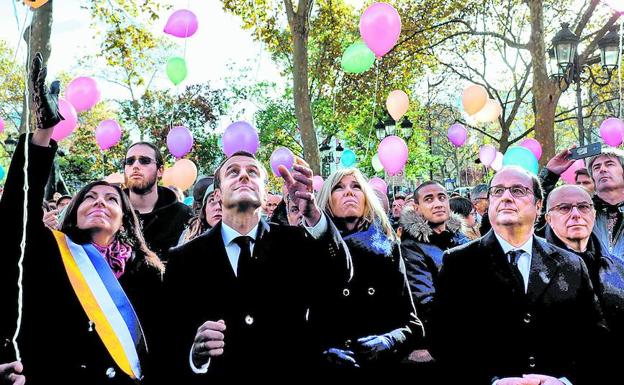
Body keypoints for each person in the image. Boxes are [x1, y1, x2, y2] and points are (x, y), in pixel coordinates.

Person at [0, 53, 164, 384]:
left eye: (111, 198)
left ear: (124, 219)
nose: (99, 201)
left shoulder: (147, 272)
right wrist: (43, 133)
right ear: (73, 212)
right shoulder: (49, 252)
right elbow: (16, 209)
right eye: (89, 197)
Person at [162, 151, 352, 381]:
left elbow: (341, 273)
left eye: (252, 172)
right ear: (218, 195)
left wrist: (312, 215)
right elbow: (170, 342)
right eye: (233, 172)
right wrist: (195, 355)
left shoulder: (297, 243)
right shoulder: (184, 259)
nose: (244, 176)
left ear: (264, 193)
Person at [432, 166, 606, 385]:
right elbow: (443, 339)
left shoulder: (570, 264)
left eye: (517, 190)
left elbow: (594, 338)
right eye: (497, 191)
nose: (506, 197)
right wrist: (492, 381)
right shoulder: (459, 263)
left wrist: (564, 381)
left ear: (539, 206)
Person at [315, 169, 422, 373]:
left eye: (356, 187)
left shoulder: (389, 249)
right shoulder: (310, 248)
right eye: (339, 187)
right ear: (326, 200)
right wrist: (321, 352)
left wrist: (389, 341)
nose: (349, 192)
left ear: (366, 198)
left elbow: (412, 325)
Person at [544, 185, 623, 382]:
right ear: (548, 218)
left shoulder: (617, 268)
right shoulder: (532, 269)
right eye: (564, 208)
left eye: (583, 207)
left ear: (594, 214)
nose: (576, 214)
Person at [399, 181, 469, 374]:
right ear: (417, 208)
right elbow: (425, 301)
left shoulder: (463, 240)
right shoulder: (411, 247)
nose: (437, 203)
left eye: (441, 197)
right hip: (441, 343)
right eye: (428, 199)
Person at [124, 141, 193, 261]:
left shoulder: (183, 215)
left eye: (144, 161)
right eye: (129, 161)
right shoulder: (110, 213)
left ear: (160, 170)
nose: (135, 166)